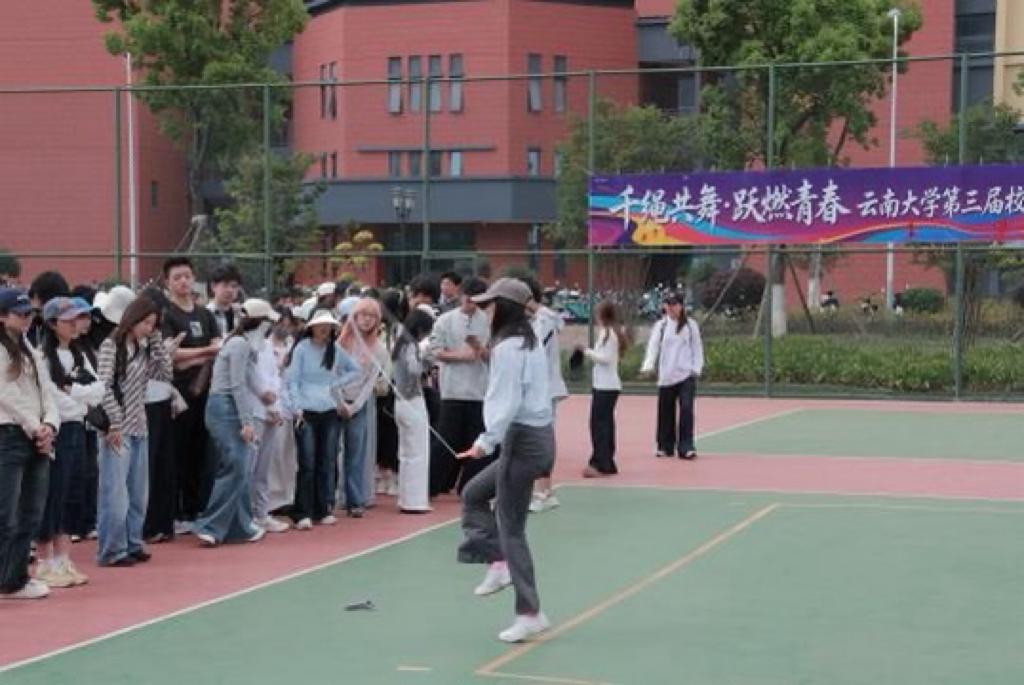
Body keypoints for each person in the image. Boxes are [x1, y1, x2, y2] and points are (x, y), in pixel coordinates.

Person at [455, 278, 555, 643]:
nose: (485, 311)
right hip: (535, 440)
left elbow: (507, 399)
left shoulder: (511, 347)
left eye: (489, 304)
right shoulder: (526, 340)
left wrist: (485, 442)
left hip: (522, 441)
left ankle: (529, 612)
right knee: (472, 495)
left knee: (512, 530)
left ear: (504, 308)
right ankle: (498, 562)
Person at [95, 297, 177, 566]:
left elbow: (165, 374)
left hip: (140, 426)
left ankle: (132, 541)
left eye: (152, 324)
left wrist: (157, 342)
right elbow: (103, 386)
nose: (148, 328)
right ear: (132, 319)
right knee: (115, 494)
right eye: (145, 323)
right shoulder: (111, 346)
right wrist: (114, 421)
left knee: (138, 493)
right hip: (117, 429)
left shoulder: (142, 348)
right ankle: (112, 550)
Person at [194, 299, 280, 547]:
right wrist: (247, 421)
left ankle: (239, 526)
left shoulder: (240, 343)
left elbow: (248, 379)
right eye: (268, 323)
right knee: (236, 465)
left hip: (224, 407)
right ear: (261, 323)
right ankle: (211, 524)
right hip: (225, 408)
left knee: (239, 466)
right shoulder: (241, 344)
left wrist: (264, 399)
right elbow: (237, 385)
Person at [35, 297, 103, 588]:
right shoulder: (42, 357)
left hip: (78, 428)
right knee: (53, 493)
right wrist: (79, 398)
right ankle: (45, 561)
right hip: (57, 430)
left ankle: (64, 559)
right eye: (68, 320)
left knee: (73, 493)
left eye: (78, 319)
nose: (75, 324)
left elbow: (99, 390)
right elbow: (51, 396)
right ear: (52, 324)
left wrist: (75, 392)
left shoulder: (80, 354)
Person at [0, 288, 60, 599]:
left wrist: (50, 423)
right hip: (9, 435)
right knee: (6, 514)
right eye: (19, 313)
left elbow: (46, 391)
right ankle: (6, 577)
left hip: (36, 435)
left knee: (31, 513)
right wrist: (36, 427)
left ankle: (15, 578)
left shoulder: (31, 349)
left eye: (28, 313)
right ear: (2, 316)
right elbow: (6, 395)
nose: (25, 318)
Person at [285, 309, 361, 529]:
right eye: (321, 325)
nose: (325, 329)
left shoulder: (334, 349)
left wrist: (333, 384)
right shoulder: (301, 348)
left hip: (328, 410)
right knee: (307, 463)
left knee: (327, 461)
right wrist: (296, 406)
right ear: (312, 327)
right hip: (306, 411)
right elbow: (292, 380)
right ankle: (302, 512)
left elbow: (355, 369)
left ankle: (322, 508)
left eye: (328, 326)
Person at [161, 257, 221, 532]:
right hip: (178, 393)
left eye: (187, 276)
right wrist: (205, 352)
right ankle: (178, 511)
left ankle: (197, 507)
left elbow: (218, 343)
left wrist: (197, 356)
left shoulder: (205, 314)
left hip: (206, 390)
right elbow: (171, 354)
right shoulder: (167, 315)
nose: (183, 281)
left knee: (202, 451)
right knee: (178, 451)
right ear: (167, 282)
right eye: (177, 277)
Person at [426, 276, 491, 496]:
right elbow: (434, 351)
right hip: (452, 390)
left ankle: (471, 486)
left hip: (480, 391)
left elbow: (495, 355)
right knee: (445, 440)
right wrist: (460, 356)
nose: (470, 303)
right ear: (461, 295)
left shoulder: (488, 322)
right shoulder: (445, 321)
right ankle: (433, 484)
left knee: (477, 442)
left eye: (475, 300)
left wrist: (481, 351)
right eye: (467, 298)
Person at [336, 297, 388, 517]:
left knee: (355, 453)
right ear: (354, 317)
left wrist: (354, 406)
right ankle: (329, 498)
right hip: (334, 403)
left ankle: (355, 500)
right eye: (362, 315)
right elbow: (333, 375)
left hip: (359, 405)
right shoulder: (340, 344)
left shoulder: (379, 349)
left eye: (372, 316)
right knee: (330, 453)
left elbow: (370, 383)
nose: (366, 320)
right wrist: (340, 402)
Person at [640, 291, 704, 460]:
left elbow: (697, 348)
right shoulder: (660, 326)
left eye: (674, 304)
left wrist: (696, 368)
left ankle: (686, 446)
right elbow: (653, 347)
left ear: (681, 306)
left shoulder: (690, 326)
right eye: (667, 304)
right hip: (666, 375)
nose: (670, 307)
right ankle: (665, 446)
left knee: (686, 409)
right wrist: (648, 365)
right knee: (665, 411)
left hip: (686, 375)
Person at [523, 278, 567, 513]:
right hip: (535, 389)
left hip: (544, 389)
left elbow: (533, 348)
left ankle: (543, 492)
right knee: (535, 439)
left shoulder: (544, 319)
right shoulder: (535, 319)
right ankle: (543, 491)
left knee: (541, 440)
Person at [391, 309, 434, 513]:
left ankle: (406, 498)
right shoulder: (410, 346)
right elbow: (415, 369)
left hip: (400, 401)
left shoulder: (399, 344)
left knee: (406, 452)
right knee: (418, 451)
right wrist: (427, 359)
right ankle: (415, 501)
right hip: (412, 400)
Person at [579, 301, 628, 478]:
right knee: (605, 424)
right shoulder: (609, 333)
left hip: (606, 386)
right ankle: (607, 461)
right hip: (604, 384)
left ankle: (600, 462)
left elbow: (605, 358)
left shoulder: (609, 334)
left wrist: (586, 351)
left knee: (599, 424)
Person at [206, 263, 243, 338]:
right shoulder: (207, 313)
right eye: (225, 285)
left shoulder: (241, 312)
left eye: (234, 286)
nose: (230, 290)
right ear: (213, 286)